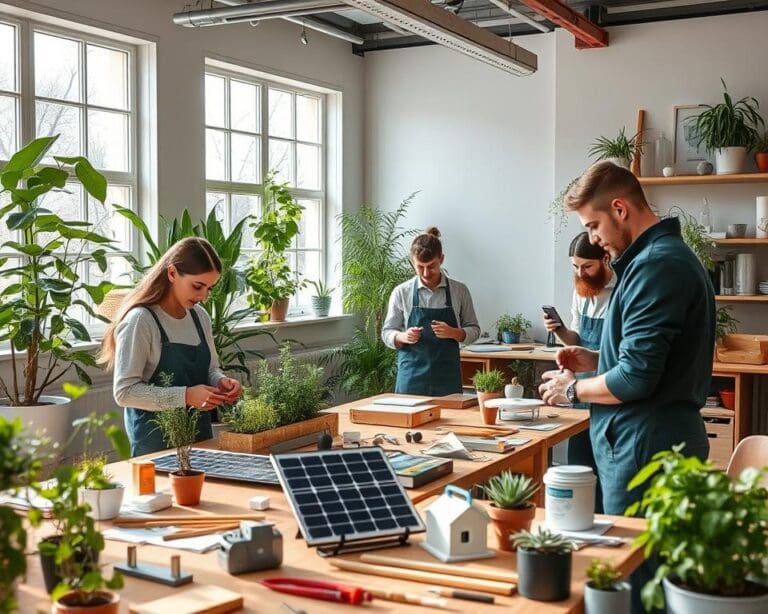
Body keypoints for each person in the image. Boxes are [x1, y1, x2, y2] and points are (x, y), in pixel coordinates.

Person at [539, 162, 714, 613]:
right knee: (644, 577)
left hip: (647, 447)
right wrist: (596, 360)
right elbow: (649, 361)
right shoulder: (652, 261)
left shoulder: (657, 266)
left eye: (594, 225)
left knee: (640, 583)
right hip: (645, 441)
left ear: (620, 208)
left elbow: (636, 378)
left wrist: (573, 389)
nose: (593, 238)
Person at [100, 237, 242, 457]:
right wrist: (185, 396)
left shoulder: (200, 317)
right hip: (155, 450)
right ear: (172, 273)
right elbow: (124, 392)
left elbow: (211, 369)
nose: (204, 296)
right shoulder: (141, 320)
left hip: (200, 442)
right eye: (197, 286)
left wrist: (221, 382)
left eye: (209, 288)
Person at [543, 231, 615, 512]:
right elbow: (577, 339)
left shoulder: (621, 292)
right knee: (580, 467)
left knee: (606, 469)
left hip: (608, 386)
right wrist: (558, 330)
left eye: (587, 266)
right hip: (579, 392)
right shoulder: (581, 292)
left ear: (605, 260)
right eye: (575, 267)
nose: (580, 273)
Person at [382, 227, 481, 396]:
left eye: (431, 266)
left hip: (447, 378)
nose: (426, 273)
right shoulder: (402, 292)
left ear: (441, 259)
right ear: (412, 261)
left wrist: (454, 332)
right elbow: (387, 333)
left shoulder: (459, 291)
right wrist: (402, 337)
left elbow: (474, 329)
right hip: (411, 378)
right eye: (420, 267)